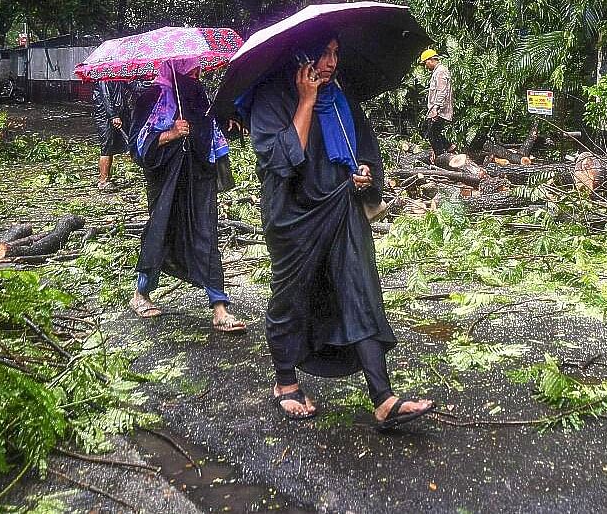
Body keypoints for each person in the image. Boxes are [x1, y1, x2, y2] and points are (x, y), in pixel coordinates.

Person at [243, 34, 435, 427]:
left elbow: (363, 147)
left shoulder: (341, 96)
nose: (331, 62)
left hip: (341, 204)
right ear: (301, 53)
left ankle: (383, 396)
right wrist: (307, 100)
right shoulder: (269, 96)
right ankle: (284, 381)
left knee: (359, 286)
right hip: (293, 216)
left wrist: (364, 172)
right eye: (323, 53)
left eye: (335, 53)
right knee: (291, 296)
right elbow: (281, 161)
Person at [127, 64, 245, 333]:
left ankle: (219, 308)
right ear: (175, 70)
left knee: (206, 233)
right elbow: (137, 145)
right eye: (189, 72)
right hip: (165, 179)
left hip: (198, 175)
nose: (196, 76)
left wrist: (227, 123)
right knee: (161, 232)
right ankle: (141, 293)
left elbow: (208, 126)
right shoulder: (150, 97)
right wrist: (169, 134)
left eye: (197, 71)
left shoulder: (196, 94)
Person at [93, 81, 133, 190]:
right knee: (107, 148)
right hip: (105, 118)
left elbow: (132, 88)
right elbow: (106, 97)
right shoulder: (104, 80)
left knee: (123, 144)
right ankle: (103, 180)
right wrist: (113, 116)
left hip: (119, 115)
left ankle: (106, 177)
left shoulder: (119, 79)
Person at [421, 48, 453, 159]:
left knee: (433, 134)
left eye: (425, 63)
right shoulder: (437, 72)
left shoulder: (440, 71)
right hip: (437, 109)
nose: (426, 66)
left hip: (440, 110)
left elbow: (441, 91)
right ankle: (450, 147)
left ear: (430, 60)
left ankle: (441, 157)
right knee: (434, 133)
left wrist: (435, 109)